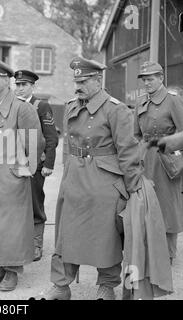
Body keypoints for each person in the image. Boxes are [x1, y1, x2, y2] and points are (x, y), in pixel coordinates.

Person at [40, 57, 143, 300]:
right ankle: (61, 285)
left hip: (105, 183)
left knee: (106, 236)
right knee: (66, 235)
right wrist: (65, 178)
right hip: (74, 180)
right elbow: (68, 147)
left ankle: (107, 286)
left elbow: (128, 151)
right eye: (76, 81)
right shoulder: (72, 106)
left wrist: (134, 188)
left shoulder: (116, 110)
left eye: (84, 80)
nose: (78, 85)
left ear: (98, 80)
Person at [0, 56, 45, 292]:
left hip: (12, 176)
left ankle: (13, 270)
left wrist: (24, 169)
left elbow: (35, 142)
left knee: (12, 225)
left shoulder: (22, 108)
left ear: (6, 80)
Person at [134, 61, 183, 265]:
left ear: (161, 78)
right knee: (145, 204)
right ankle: (149, 249)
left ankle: (168, 253)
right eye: (144, 80)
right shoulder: (140, 101)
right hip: (145, 160)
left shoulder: (173, 100)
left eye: (150, 79)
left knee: (168, 207)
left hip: (166, 160)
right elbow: (135, 134)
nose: (147, 83)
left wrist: (169, 147)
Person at [14, 69, 59, 261]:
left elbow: (51, 137)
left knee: (34, 202)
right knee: (15, 202)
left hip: (34, 163)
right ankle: (19, 240)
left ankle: (36, 243)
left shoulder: (41, 106)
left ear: (33, 86)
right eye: (18, 84)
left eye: (24, 85)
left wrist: (48, 163)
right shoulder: (12, 105)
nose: (20, 88)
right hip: (15, 162)